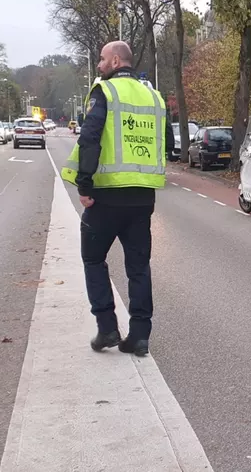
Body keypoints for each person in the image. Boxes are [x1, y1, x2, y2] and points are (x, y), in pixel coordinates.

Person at [61, 41, 174, 357]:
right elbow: (165, 142)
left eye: (100, 59)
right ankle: (139, 336)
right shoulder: (154, 96)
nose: (98, 65)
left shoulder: (104, 92)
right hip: (142, 198)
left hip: (107, 197)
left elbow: (89, 138)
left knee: (94, 258)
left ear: (114, 60)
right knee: (139, 266)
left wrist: (84, 185)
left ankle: (107, 328)